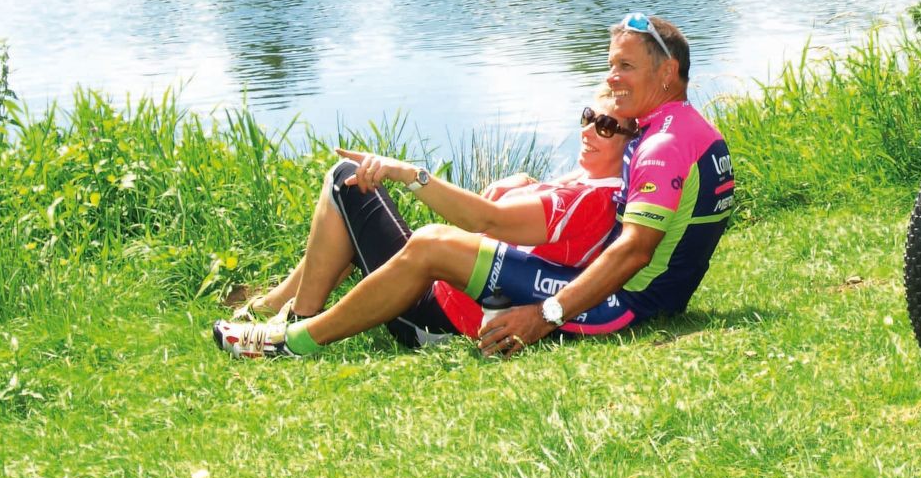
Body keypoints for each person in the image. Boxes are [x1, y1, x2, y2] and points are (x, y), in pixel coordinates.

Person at [215, 13, 734, 359]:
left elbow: (634, 250)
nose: (614, 78)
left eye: (626, 66)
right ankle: (283, 306)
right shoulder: (683, 132)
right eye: (610, 67)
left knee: (411, 227)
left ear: (667, 73)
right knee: (364, 196)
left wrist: (546, 315)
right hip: (636, 299)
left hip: (614, 306)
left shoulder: (662, 144)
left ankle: (294, 336)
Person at [216, 90, 635, 351]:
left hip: (433, 312)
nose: (589, 131)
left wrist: (410, 174)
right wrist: (523, 184)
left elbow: (483, 218)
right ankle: (275, 303)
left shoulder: (589, 200)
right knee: (350, 197)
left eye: (606, 127)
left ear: (630, 141)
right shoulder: (588, 183)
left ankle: (296, 321)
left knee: (347, 181)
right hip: (442, 290)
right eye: (588, 116)